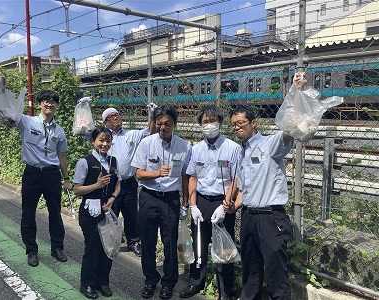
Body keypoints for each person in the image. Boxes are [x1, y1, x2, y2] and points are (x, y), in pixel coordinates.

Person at [223, 72, 307, 300]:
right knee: (250, 269)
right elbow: (244, 186)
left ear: (253, 123)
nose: (236, 128)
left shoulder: (270, 145)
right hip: (249, 217)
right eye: (233, 125)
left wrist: (296, 92)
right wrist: (234, 205)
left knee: (275, 272)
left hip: (271, 218)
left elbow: (289, 130)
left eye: (240, 123)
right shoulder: (242, 152)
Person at [179, 105, 241, 300]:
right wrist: (193, 205)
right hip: (202, 202)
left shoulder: (232, 148)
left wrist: (225, 206)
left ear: (220, 123)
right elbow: (192, 178)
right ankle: (196, 282)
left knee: (224, 248)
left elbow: (236, 179)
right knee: (199, 243)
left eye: (212, 121)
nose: (209, 125)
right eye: (205, 122)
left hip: (223, 203)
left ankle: (225, 291)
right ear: (200, 125)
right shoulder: (196, 150)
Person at [131, 105, 191, 300]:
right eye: (159, 124)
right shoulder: (146, 143)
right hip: (149, 197)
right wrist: (157, 173)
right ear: (155, 124)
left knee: (170, 243)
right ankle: (150, 280)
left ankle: (169, 282)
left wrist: (185, 202)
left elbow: (185, 176)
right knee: (147, 241)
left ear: (174, 124)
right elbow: (138, 173)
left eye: (167, 124)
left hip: (170, 200)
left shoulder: (184, 146)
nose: (163, 128)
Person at [11, 88, 70, 267]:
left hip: (52, 174)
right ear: (39, 104)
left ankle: (57, 248)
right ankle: (31, 250)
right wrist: (2, 89)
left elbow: (62, 156)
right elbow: (7, 115)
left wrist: (66, 178)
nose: (49, 103)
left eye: (53, 101)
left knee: (55, 213)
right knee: (28, 214)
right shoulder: (26, 122)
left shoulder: (59, 131)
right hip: (32, 173)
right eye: (45, 100)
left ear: (57, 106)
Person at [102, 104, 156, 257]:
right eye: (110, 117)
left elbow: (150, 132)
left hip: (129, 181)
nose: (115, 118)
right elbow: (84, 131)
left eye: (116, 115)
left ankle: (133, 242)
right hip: (111, 183)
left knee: (131, 214)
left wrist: (151, 115)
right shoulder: (105, 137)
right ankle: (111, 242)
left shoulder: (131, 134)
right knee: (111, 213)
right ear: (105, 122)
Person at [73, 126, 121, 299]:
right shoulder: (85, 162)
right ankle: (87, 284)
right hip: (90, 212)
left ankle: (103, 282)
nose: (105, 143)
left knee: (108, 248)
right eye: (101, 140)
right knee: (93, 248)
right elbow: (77, 189)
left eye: (108, 140)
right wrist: (97, 186)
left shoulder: (113, 161)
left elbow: (118, 183)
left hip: (108, 209)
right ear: (93, 141)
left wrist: (113, 198)